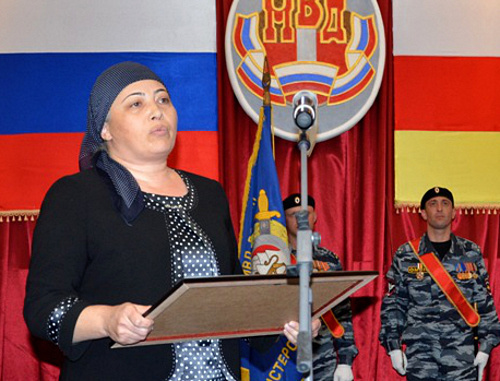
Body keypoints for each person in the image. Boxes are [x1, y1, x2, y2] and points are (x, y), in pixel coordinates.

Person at [23, 61, 320, 381]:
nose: (156, 111)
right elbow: (44, 309)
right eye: (136, 103)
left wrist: (285, 318)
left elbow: (232, 301)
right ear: (104, 129)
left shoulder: (210, 194)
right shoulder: (75, 195)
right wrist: (107, 320)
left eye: (163, 99)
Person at [379, 186, 500, 381]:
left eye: (445, 204)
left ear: (453, 213)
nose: (439, 209)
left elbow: (484, 303)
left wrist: (486, 348)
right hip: (421, 356)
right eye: (432, 204)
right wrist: (393, 346)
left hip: (461, 355)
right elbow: (394, 305)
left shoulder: (471, 252)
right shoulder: (406, 254)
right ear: (423, 213)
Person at [283, 193, 358, 381]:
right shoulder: (274, 259)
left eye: (305, 214)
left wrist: (345, 360)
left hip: (323, 353)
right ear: (283, 219)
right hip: (282, 355)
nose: (301, 220)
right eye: (293, 215)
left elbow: (342, 311)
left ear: (315, 217)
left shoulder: (329, 260)